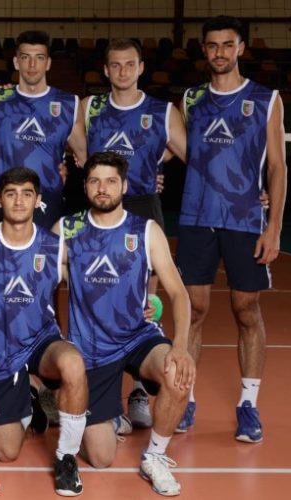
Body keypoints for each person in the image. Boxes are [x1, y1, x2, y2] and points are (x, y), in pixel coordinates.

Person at [175, 15, 287, 442]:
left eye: (227, 44)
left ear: (241, 48)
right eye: (212, 45)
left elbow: (277, 167)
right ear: (203, 50)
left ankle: (248, 405)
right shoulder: (191, 100)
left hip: (244, 219)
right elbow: (175, 149)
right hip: (197, 217)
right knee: (193, 309)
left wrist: (274, 227)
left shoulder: (265, 99)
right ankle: (184, 398)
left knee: (246, 309)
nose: (219, 52)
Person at [58, 151, 195, 496]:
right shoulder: (66, 229)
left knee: (177, 373)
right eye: (94, 181)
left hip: (137, 337)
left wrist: (180, 347)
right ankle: (112, 414)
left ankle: (155, 456)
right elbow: (38, 277)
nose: (102, 188)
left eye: (110, 181)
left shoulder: (146, 231)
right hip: (92, 349)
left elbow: (178, 293)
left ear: (124, 186)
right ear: (85, 186)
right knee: (101, 458)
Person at [73, 37, 187, 430]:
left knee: (144, 306)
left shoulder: (161, 110)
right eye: (115, 65)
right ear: (106, 70)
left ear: (141, 68)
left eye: (130, 64)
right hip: (100, 207)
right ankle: (103, 392)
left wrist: (156, 162)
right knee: (99, 296)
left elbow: (192, 153)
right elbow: (74, 149)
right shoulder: (90, 107)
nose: (122, 71)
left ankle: (139, 390)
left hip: (142, 206)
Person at [0, 166, 87, 497]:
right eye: (11, 194)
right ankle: (30, 397)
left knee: (73, 362)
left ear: (37, 200)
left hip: (42, 342)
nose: (19, 201)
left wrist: (145, 306)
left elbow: (93, 293)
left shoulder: (55, 247)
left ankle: (66, 457)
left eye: (27, 194)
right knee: (7, 452)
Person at [0, 30, 84, 228]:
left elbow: (84, 156)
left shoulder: (68, 104)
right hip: (2, 196)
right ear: (16, 62)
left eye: (39, 58)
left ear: (48, 63)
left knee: (47, 249)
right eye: (25, 57)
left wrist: (64, 170)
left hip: (47, 197)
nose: (32, 65)